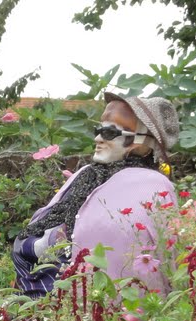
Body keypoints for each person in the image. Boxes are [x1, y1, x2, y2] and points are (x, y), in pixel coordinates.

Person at [12, 92, 180, 298]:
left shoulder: (153, 187)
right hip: (44, 309)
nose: (97, 138)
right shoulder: (86, 175)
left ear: (141, 141)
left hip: (104, 315)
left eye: (109, 132)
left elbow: (151, 254)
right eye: (98, 129)